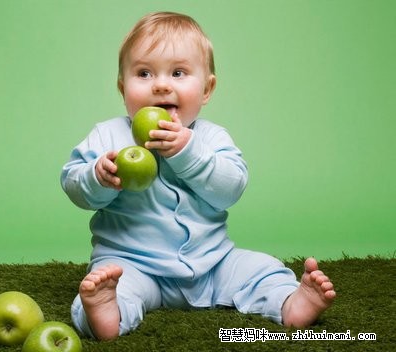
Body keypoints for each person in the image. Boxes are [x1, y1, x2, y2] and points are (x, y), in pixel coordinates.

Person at [60, 11, 335, 341]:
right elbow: (73, 184)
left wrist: (187, 152)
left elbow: (231, 187)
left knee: (262, 268)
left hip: (213, 264)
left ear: (207, 89)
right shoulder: (108, 136)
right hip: (133, 265)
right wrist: (97, 177)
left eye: (178, 72)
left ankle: (291, 301)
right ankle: (106, 313)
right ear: (123, 88)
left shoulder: (211, 138)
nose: (161, 84)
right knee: (111, 285)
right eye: (144, 73)